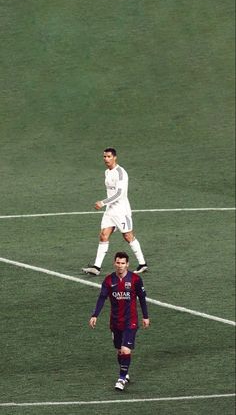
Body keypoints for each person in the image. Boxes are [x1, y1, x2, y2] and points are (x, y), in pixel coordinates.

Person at [89, 251, 150, 390]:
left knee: (125, 350)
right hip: (116, 321)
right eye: (118, 263)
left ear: (127, 264)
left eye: (123, 263)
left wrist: (145, 316)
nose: (120, 266)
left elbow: (142, 298)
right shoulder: (109, 280)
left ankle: (121, 379)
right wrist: (95, 315)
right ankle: (125, 371)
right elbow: (102, 298)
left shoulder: (135, 279)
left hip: (131, 321)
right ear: (114, 263)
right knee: (119, 350)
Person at [82, 147, 148, 276]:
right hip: (110, 211)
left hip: (121, 211)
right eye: (104, 157)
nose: (106, 159)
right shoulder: (107, 172)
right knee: (103, 235)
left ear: (115, 157)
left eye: (109, 157)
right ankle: (96, 267)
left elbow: (119, 193)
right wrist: (107, 205)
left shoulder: (121, 173)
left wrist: (103, 202)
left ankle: (143, 264)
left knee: (128, 236)